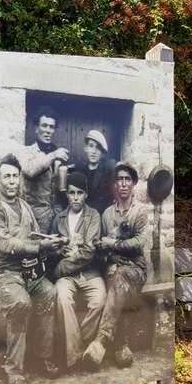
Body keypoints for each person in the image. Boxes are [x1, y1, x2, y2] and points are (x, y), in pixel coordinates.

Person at [0, 154, 66, 384]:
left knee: (49, 292)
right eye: (6, 176)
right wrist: (40, 247)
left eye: (15, 176)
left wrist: (53, 242)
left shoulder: (25, 205)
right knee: (20, 303)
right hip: (3, 273)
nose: (11, 181)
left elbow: (36, 236)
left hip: (28, 272)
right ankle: (13, 369)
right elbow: (7, 245)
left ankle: (42, 356)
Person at [83, 162, 148, 369]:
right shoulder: (107, 214)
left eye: (127, 179)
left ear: (134, 183)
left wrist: (115, 244)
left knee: (119, 279)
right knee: (115, 281)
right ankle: (121, 347)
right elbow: (102, 248)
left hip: (135, 268)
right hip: (113, 267)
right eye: (119, 179)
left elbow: (139, 242)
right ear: (114, 184)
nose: (123, 183)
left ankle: (102, 341)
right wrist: (105, 248)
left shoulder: (140, 212)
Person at [49, 172, 106, 370]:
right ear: (67, 195)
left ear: (86, 195)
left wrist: (62, 265)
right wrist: (59, 250)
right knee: (62, 298)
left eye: (79, 193)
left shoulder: (93, 216)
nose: (75, 197)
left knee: (100, 299)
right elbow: (52, 248)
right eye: (71, 192)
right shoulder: (59, 218)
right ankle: (75, 357)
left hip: (89, 272)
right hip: (67, 278)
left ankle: (79, 345)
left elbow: (89, 251)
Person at [22, 106, 69, 234]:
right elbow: (29, 171)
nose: (48, 130)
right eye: (44, 126)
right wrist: (53, 156)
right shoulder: (28, 152)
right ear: (36, 128)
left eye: (51, 127)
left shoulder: (57, 153)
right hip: (35, 218)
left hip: (57, 218)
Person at [75, 130, 115, 214]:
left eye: (98, 148)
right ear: (85, 148)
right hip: (81, 215)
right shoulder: (79, 170)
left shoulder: (107, 171)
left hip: (100, 215)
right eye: (91, 146)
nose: (94, 151)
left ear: (102, 152)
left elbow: (109, 199)